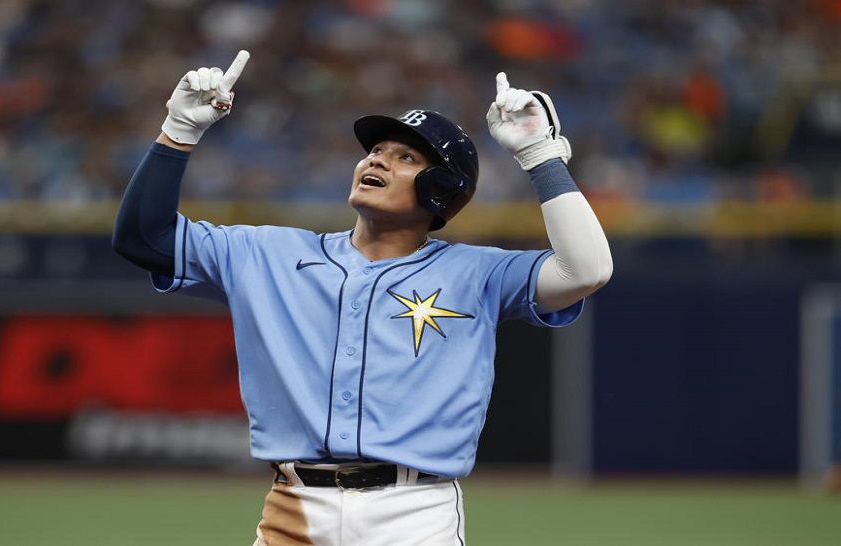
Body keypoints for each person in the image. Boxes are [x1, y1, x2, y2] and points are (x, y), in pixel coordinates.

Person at [112, 50, 612, 546]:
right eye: (376, 151)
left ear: (441, 189)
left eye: (406, 157)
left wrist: (540, 157)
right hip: (295, 509)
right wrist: (178, 131)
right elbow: (144, 239)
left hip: (416, 513)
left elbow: (586, 269)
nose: (376, 159)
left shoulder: (477, 273)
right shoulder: (266, 254)